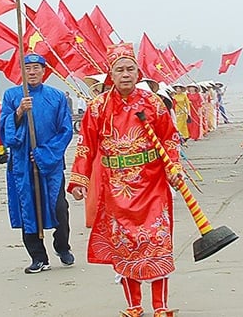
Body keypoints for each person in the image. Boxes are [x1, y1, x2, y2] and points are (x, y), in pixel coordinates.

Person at [68, 43, 183, 317]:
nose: (125, 74)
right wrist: (78, 180)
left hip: (152, 183)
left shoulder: (152, 103)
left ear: (138, 72)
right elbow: (86, 145)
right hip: (116, 188)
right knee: (125, 244)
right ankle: (134, 305)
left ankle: (161, 306)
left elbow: (169, 137)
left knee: (156, 240)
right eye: (119, 70)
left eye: (130, 69)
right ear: (111, 74)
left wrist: (174, 168)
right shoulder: (98, 107)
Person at [0, 53, 73, 273]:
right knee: (27, 208)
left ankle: (62, 246)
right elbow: (4, 131)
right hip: (22, 165)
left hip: (50, 164)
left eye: (36, 68)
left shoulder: (57, 97)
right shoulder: (12, 96)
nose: (32, 72)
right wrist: (19, 112)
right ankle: (38, 257)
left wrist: (44, 154)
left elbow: (65, 130)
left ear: (43, 71)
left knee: (59, 207)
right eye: (27, 68)